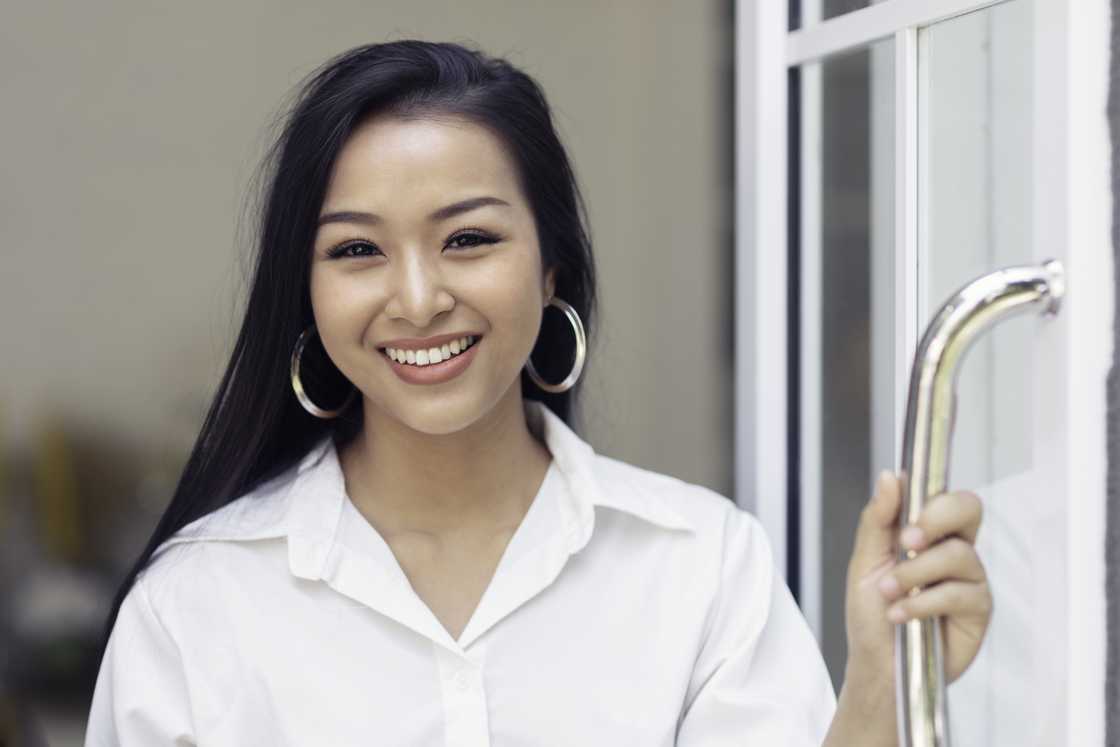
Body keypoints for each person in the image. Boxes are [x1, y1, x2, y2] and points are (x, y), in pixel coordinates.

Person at [83, 40, 991, 746]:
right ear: (306, 291)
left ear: (551, 268)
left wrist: (882, 678)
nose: (417, 297)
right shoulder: (194, 604)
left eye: (468, 239)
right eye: (356, 250)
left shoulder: (700, 567)